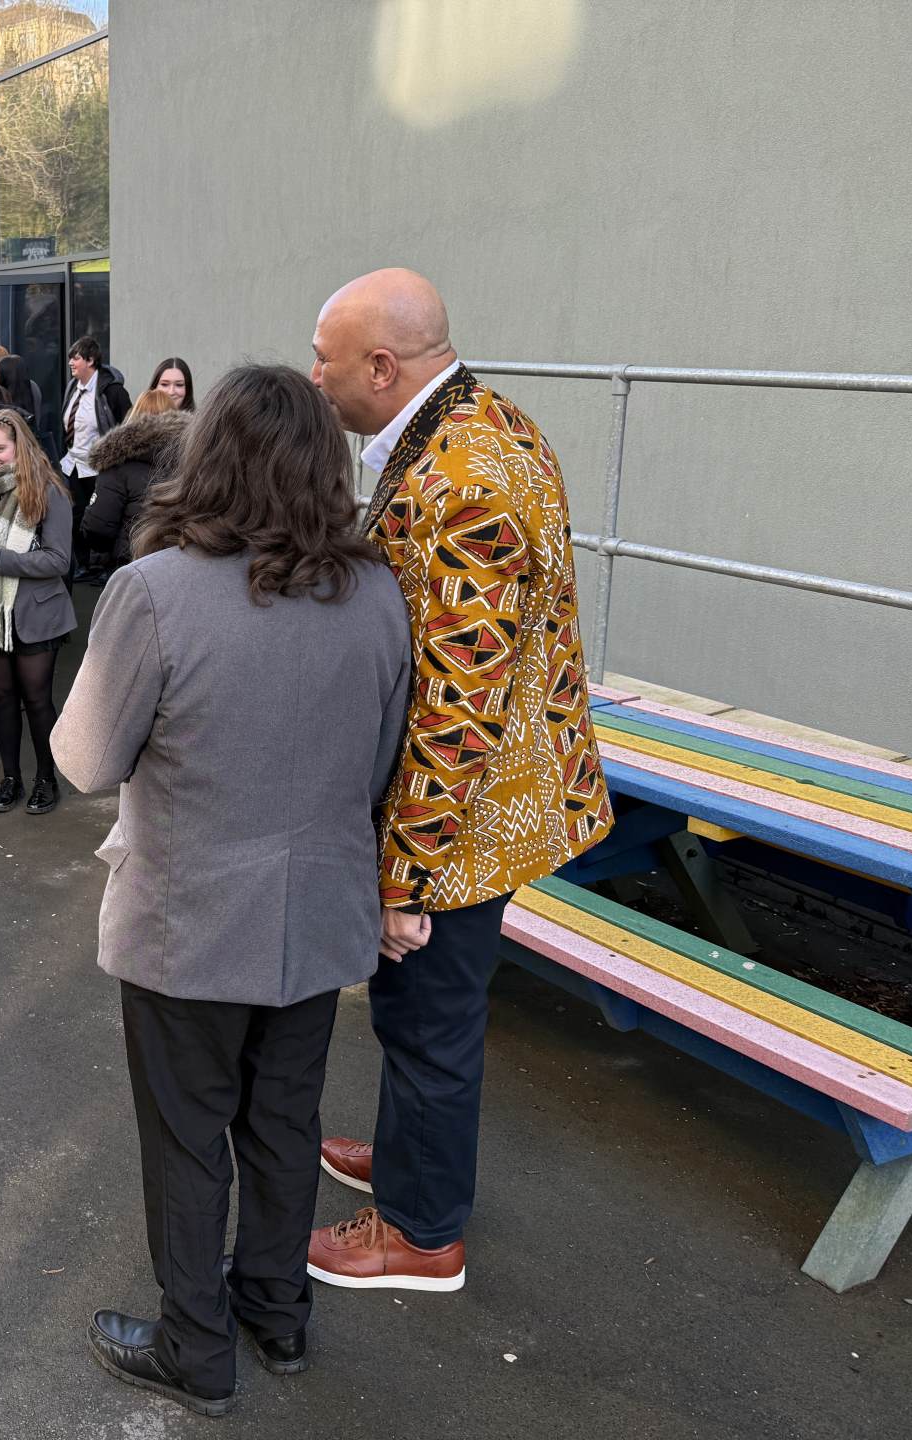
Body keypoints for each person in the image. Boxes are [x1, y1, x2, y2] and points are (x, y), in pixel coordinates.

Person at [52, 363, 411, 1418]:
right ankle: (276, 1310)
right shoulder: (378, 589)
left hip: (187, 921)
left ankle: (196, 1347)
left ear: (207, 457)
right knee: (284, 1123)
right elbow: (383, 756)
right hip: (320, 916)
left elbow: (85, 758)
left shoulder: (154, 590)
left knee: (187, 1136)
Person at [304, 267, 614, 1290]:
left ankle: (421, 1233)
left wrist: (405, 875)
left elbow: (459, 704)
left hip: (468, 816)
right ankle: (407, 1160)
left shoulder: (466, 474)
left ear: (382, 367)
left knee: (430, 1015)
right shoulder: (477, 420)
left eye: (328, 360)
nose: (317, 376)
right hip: (490, 798)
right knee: (410, 1007)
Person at [0, 409, 74, 814]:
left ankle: (46, 779)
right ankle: (11, 778)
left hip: (36, 615)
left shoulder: (48, 489)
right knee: (3, 697)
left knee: (37, 700)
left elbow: (58, 561)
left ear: (19, 446)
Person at [81, 390, 188, 574]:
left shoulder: (116, 464)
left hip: (131, 567)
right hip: (181, 565)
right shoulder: (193, 461)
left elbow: (97, 529)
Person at [58, 336, 131, 580]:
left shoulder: (112, 391)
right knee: (76, 515)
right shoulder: (73, 387)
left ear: (90, 360)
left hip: (100, 465)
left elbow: (127, 425)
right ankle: (85, 564)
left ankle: (103, 566)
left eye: (75, 358)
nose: (71, 362)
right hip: (73, 464)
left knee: (100, 516)